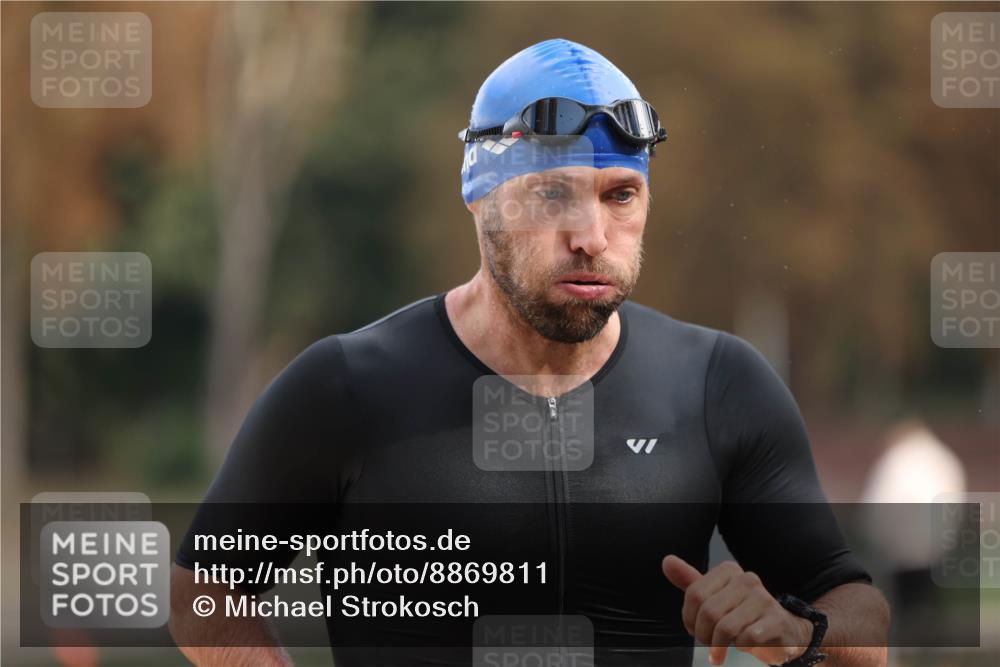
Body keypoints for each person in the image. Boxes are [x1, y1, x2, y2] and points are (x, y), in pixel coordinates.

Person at [170, 38, 889, 667]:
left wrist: (802, 634)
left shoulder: (717, 383)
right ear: (481, 198)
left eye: (621, 196)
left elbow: (856, 610)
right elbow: (201, 593)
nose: (592, 236)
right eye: (552, 195)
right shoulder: (349, 385)